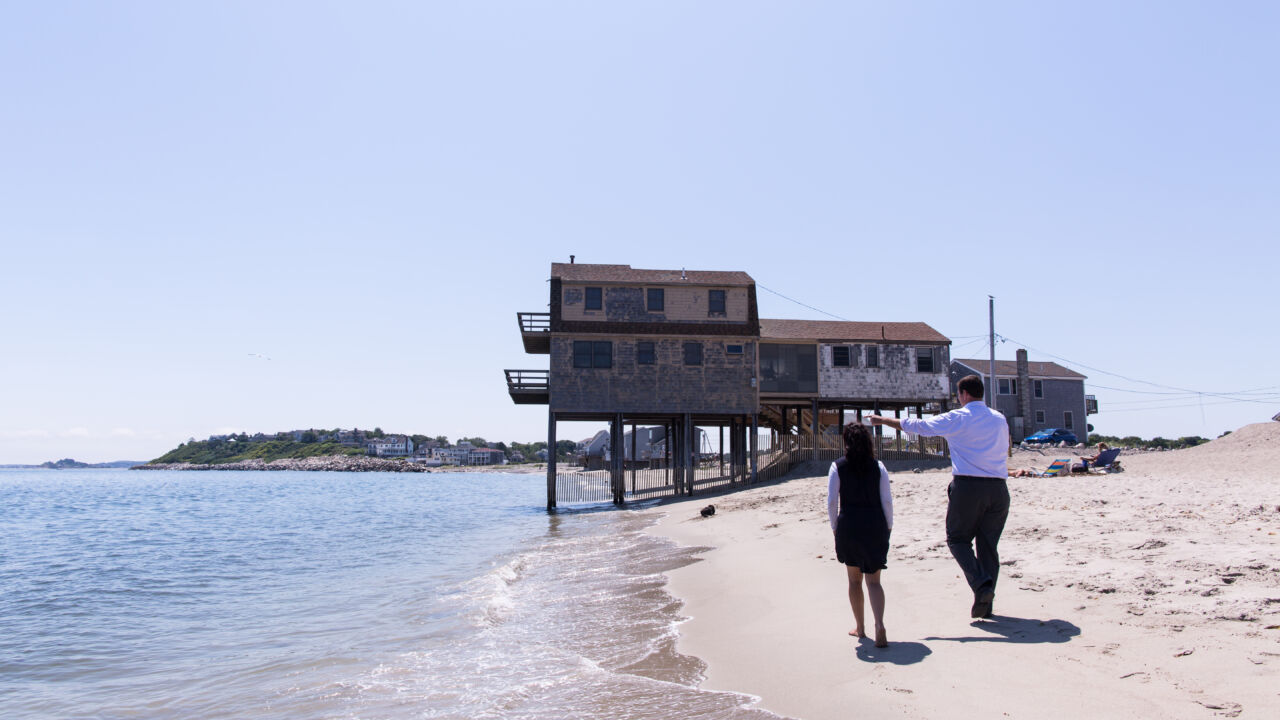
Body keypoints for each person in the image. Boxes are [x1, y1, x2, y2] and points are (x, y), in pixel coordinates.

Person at [867, 374, 1010, 619]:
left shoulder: (959, 417)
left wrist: (881, 420)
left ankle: (981, 585)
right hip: (999, 488)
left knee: (957, 539)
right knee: (988, 547)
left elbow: (918, 427)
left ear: (964, 394)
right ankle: (986, 604)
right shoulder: (999, 419)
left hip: (969, 485)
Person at [827, 422, 893, 647]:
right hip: (875, 525)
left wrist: (835, 527)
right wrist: (889, 526)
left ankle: (860, 628)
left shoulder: (838, 467)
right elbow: (886, 500)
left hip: (850, 526)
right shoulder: (879, 467)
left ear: (846, 442)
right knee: (874, 582)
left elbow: (832, 501)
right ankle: (880, 625)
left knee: (854, 581)